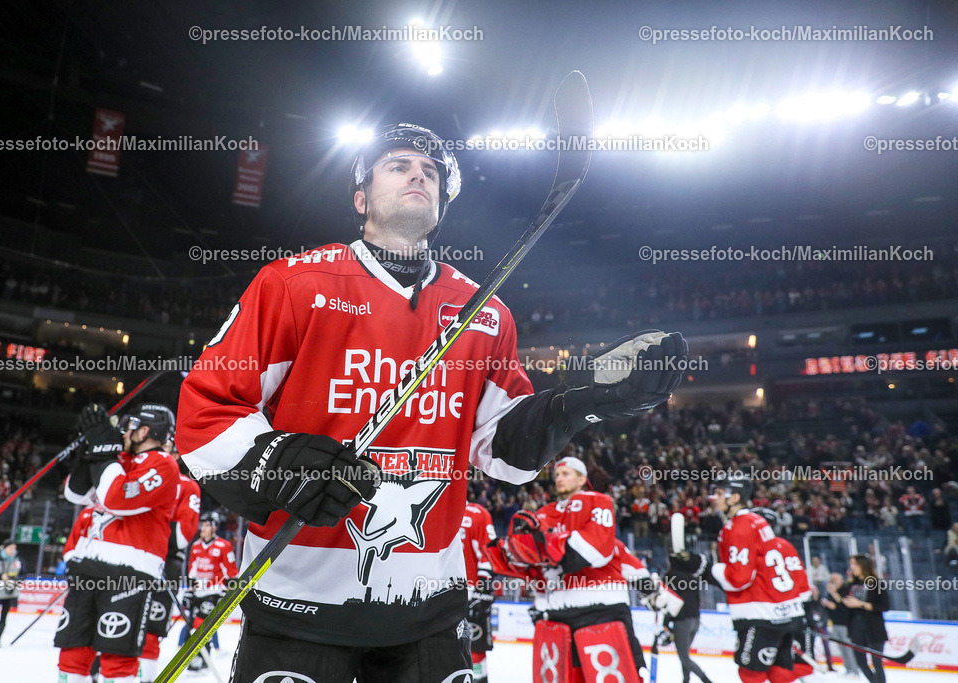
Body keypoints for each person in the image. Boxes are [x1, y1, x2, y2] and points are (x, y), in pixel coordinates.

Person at [176, 121, 689, 681]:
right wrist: (279, 465)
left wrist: (577, 402)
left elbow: (503, 454)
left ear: (442, 203)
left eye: (431, 172)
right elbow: (207, 411)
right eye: (398, 165)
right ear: (360, 196)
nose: (419, 174)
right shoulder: (294, 284)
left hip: (431, 615)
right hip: (295, 600)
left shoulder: (484, 311)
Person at [487, 457, 682, 683]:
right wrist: (517, 558)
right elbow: (534, 571)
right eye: (557, 474)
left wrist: (657, 594)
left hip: (601, 613)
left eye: (566, 474)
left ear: (582, 479)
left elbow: (597, 551)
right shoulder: (543, 514)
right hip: (556, 616)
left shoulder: (596, 503)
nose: (559, 478)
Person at [54, 404, 179, 683]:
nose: (125, 430)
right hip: (91, 564)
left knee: (117, 654)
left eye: (131, 425)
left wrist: (105, 450)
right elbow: (75, 494)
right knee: (73, 647)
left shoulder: (163, 464)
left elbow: (116, 498)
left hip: (130, 573)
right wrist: (93, 449)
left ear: (145, 430)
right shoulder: (119, 458)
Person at [670, 481, 812, 683]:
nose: (713, 498)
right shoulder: (773, 536)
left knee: (751, 674)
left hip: (760, 615)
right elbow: (801, 584)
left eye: (719, 493)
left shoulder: (739, 527)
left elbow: (738, 579)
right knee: (782, 674)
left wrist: (700, 566)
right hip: (790, 613)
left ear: (735, 498)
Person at [140, 458, 201, 683]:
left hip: (165, 563)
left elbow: (181, 536)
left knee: (151, 629)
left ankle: (145, 679)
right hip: (133, 560)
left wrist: (146, 528)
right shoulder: (140, 474)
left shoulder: (187, 486)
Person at [180, 510, 238, 671]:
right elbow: (192, 571)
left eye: (206, 525)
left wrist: (226, 594)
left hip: (214, 592)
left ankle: (200, 657)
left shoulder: (223, 546)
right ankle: (198, 657)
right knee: (192, 624)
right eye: (202, 525)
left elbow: (232, 573)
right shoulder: (196, 545)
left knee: (201, 624)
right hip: (198, 592)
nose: (203, 528)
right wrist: (190, 591)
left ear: (214, 527)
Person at [663, 548, 715, 683]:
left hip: (682, 621)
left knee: (684, 657)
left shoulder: (669, 577)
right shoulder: (692, 577)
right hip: (695, 620)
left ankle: (707, 681)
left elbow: (668, 602)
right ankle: (686, 680)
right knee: (685, 656)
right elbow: (697, 599)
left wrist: (666, 624)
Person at [834, 555, 888, 683]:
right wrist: (835, 595)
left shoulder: (876, 582)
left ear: (863, 565)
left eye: (854, 564)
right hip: (855, 627)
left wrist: (860, 604)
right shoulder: (851, 584)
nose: (851, 567)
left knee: (876, 661)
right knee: (861, 662)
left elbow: (884, 606)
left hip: (874, 627)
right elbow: (844, 606)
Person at [461, 494, 496, 682]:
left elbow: (489, 553)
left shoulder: (477, 514)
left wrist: (484, 589)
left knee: (475, 647)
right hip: (434, 594)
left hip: (470, 594)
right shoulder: (431, 512)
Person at [821, 572, 861, 679]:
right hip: (835, 623)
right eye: (832, 580)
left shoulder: (845, 589)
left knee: (848, 648)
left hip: (846, 624)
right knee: (841, 648)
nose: (833, 582)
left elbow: (844, 606)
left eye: (835, 580)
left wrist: (834, 598)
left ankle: (854, 670)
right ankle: (848, 668)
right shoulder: (830, 592)